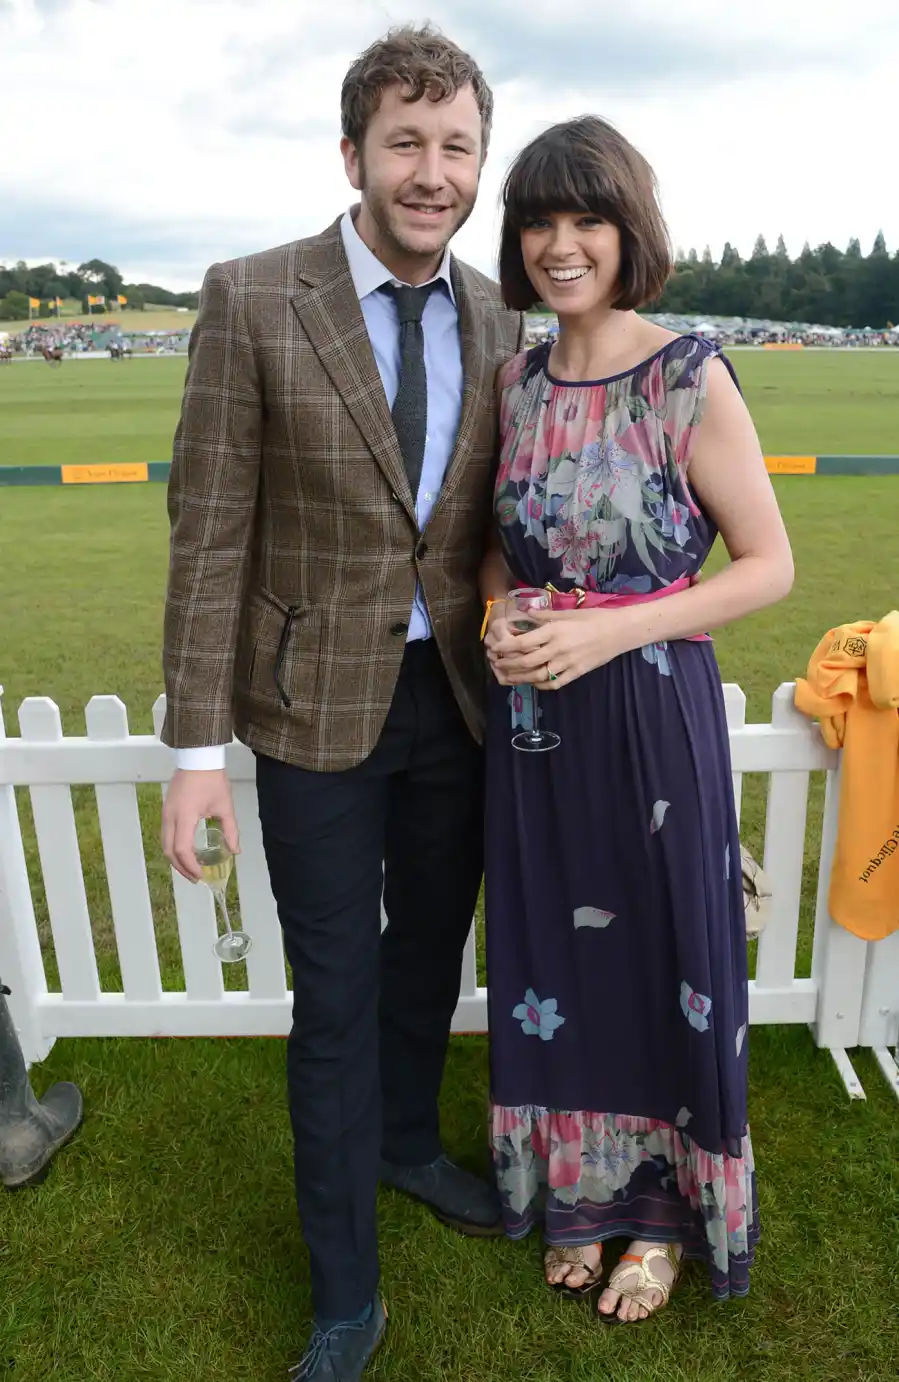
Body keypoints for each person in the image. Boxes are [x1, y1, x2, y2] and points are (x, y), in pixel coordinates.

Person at [159, 24, 524, 1381]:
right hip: (309, 706)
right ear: (352, 153)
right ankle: (343, 1290)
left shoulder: (498, 314)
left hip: (456, 699)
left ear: (475, 162)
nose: (429, 173)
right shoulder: (252, 296)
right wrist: (196, 751)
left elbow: (493, 517)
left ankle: (407, 1141)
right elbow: (207, 535)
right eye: (404, 144)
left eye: (454, 148)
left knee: (430, 952)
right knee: (338, 991)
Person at [480, 116, 794, 1323]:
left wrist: (613, 626)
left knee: (668, 961)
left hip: (650, 718)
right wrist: (496, 620)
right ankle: (579, 1195)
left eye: (585, 220)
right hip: (535, 738)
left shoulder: (686, 372)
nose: (560, 246)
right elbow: (489, 558)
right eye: (538, 223)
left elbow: (764, 565)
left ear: (627, 231)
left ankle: (659, 1218)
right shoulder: (514, 380)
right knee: (554, 962)